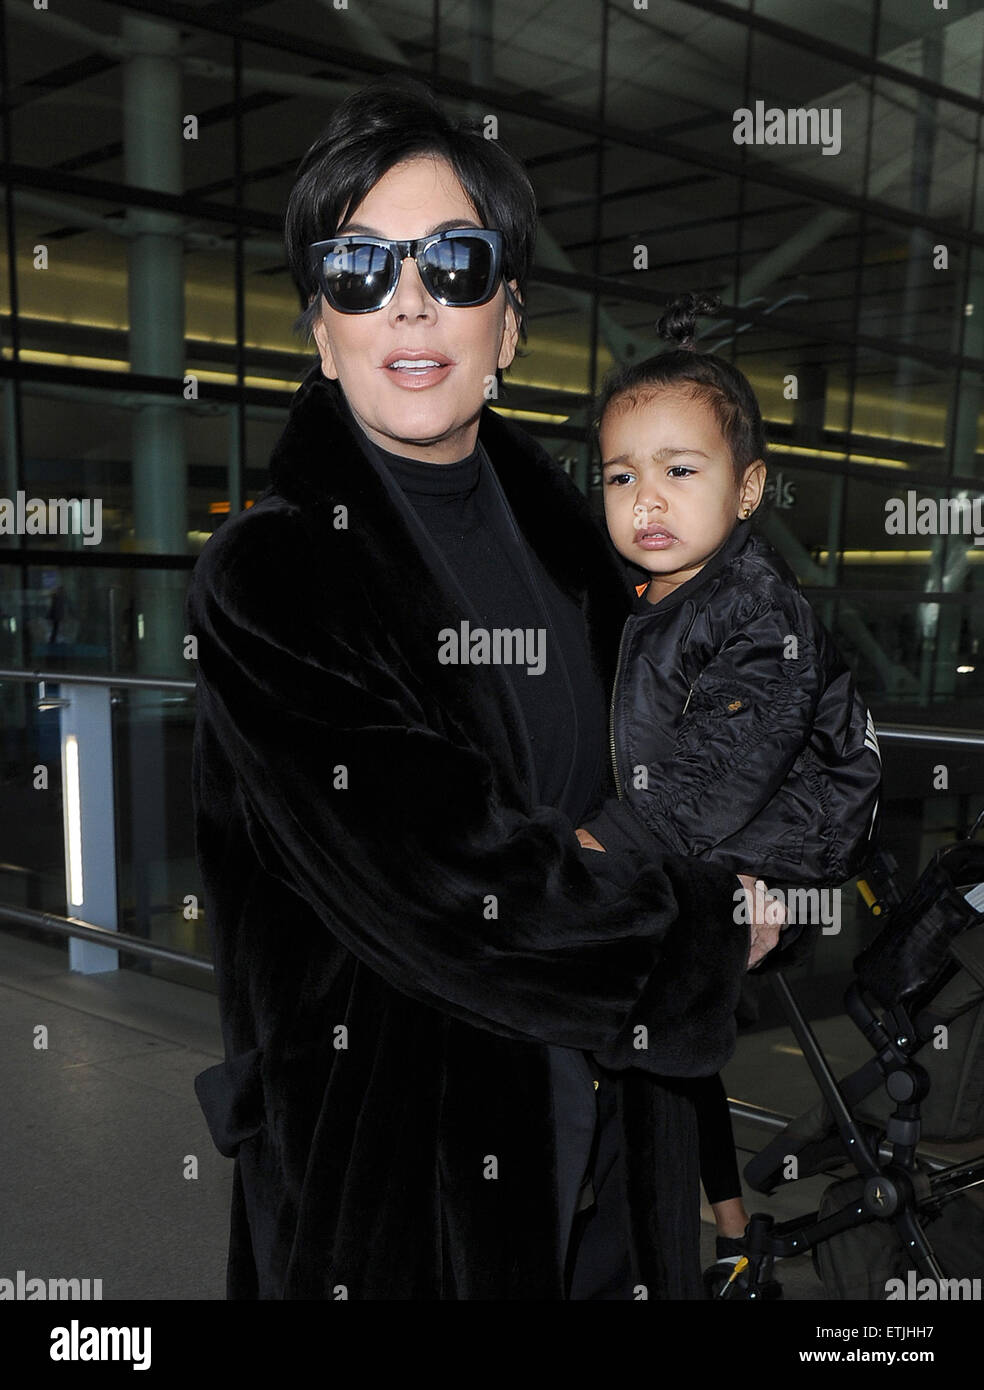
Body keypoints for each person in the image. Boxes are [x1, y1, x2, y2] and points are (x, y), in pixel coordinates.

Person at [186, 82, 783, 1302]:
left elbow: (671, 781)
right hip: (408, 1175)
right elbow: (453, 894)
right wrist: (701, 925)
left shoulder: (590, 550)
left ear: (507, 322)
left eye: (454, 262)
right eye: (358, 268)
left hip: (614, 1150)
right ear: (320, 329)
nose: (409, 298)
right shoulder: (277, 575)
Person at [576, 291, 882, 1291]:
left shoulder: (755, 607)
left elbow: (705, 783)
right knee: (668, 1057)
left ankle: (707, 1238)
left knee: (662, 1041)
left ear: (748, 490)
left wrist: (585, 850)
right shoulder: (648, 602)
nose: (645, 500)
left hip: (780, 858)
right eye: (621, 475)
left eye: (679, 471)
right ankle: (722, 1234)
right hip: (711, 860)